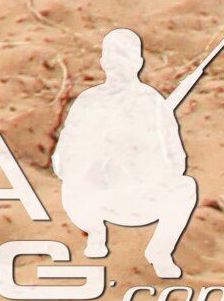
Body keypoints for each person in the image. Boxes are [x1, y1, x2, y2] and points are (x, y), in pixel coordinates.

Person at [53, 28, 201, 279]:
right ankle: (96, 234)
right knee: (74, 185)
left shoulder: (152, 103)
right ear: (103, 62)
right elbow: (62, 161)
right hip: (94, 197)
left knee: (185, 188)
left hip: (138, 197)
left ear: (138, 62)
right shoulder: (89, 102)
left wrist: (143, 157)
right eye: (113, 57)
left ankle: (160, 251)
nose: (118, 64)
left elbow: (176, 160)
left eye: (125, 57)